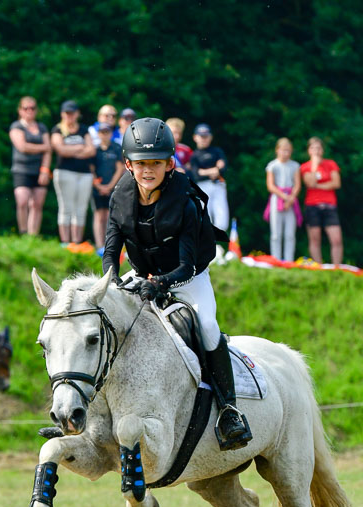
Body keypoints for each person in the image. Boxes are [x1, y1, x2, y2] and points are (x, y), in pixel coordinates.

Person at [102, 117, 252, 451]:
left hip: (187, 278)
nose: (147, 170)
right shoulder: (120, 197)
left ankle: (229, 410)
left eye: (155, 163)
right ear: (128, 164)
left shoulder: (184, 200)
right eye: (141, 164)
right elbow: (111, 252)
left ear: (170, 163)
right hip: (142, 276)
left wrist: (162, 284)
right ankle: (92, 407)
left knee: (209, 326)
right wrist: (110, 284)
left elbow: (186, 265)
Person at [50, 100, 96, 249]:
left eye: (72, 113)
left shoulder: (84, 129)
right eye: (67, 113)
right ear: (62, 114)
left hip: (84, 174)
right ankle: (65, 242)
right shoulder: (57, 130)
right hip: (64, 172)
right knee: (66, 207)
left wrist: (71, 149)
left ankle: (77, 242)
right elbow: (60, 149)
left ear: (77, 114)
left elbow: (91, 150)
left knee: (81, 208)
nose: (69, 116)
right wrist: (80, 148)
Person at [9, 96, 51, 235]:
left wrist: (45, 170)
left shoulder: (42, 127)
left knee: (37, 204)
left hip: (39, 170)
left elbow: (48, 151)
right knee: (22, 201)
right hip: (21, 169)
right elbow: (22, 147)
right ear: (20, 110)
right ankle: (23, 232)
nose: (29, 111)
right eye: (26, 108)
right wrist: (43, 147)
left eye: (32, 108)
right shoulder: (16, 126)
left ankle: (33, 235)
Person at [300, 136, 343, 265]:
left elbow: (336, 183)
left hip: (329, 206)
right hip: (312, 206)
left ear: (322, 150)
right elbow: (310, 183)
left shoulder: (331, 164)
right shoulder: (305, 167)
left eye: (318, 148)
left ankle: (337, 267)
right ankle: (318, 268)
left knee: (336, 239)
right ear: (309, 151)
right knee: (315, 239)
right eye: (313, 148)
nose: (316, 151)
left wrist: (318, 186)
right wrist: (314, 165)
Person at [264, 138, 302, 262]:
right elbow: (270, 186)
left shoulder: (295, 165)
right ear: (277, 150)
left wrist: (291, 198)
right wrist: (284, 196)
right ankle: (276, 259)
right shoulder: (272, 165)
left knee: (290, 233)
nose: (286, 153)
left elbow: (297, 184)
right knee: (276, 233)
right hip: (277, 198)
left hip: (291, 200)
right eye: (283, 150)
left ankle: (289, 260)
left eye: (288, 151)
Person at [187, 123, 229, 233]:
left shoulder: (217, 151)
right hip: (202, 187)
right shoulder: (194, 155)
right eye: (201, 136)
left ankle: (218, 243)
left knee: (222, 218)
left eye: (206, 136)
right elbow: (196, 174)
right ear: (195, 137)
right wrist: (214, 170)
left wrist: (207, 171)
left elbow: (223, 166)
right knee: (205, 216)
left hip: (218, 184)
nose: (204, 139)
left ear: (210, 137)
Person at [91, 123, 124, 254]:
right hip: (98, 187)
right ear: (98, 134)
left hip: (112, 187)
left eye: (107, 132)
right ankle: (99, 244)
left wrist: (110, 186)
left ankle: (109, 244)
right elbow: (91, 169)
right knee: (99, 215)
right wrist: (99, 186)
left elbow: (119, 168)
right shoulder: (95, 150)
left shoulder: (116, 148)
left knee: (111, 216)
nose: (105, 135)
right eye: (102, 132)